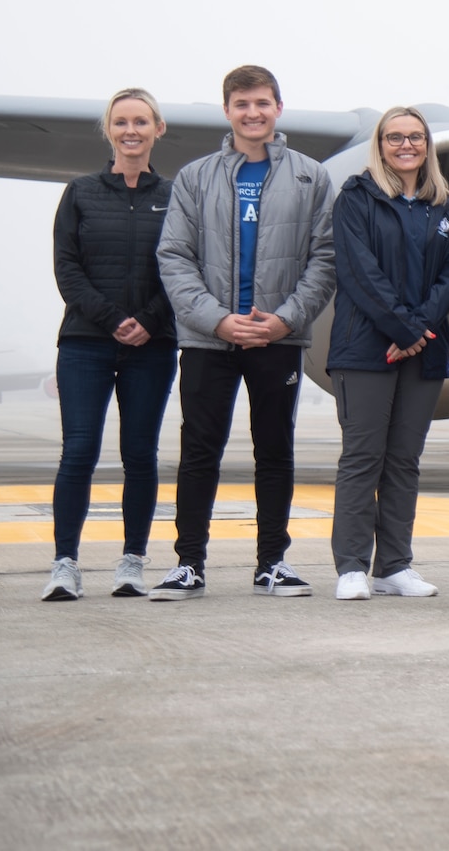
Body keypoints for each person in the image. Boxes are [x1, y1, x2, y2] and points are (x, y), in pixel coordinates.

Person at [150, 65, 336, 600]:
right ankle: (189, 563)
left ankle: (272, 563)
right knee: (199, 450)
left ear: (278, 107)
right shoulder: (196, 177)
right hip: (209, 340)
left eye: (262, 102)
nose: (252, 113)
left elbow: (324, 258)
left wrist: (285, 319)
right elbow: (174, 257)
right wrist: (217, 319)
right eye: (241, 104)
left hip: (278, 338)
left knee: (274, 449)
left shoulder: (309, 176)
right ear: (227, 110)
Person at [325, 108, 449, 601]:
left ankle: (394, 566)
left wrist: (418, 329)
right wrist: (405, 327)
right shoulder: (358, 198)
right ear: (380, 145)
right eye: (394, 137)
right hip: (365, 348)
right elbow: (359, 271)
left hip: (422, 350)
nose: (405, 145)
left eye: (415, 137)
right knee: (363, 456)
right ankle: (350, 566)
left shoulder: (445, 206)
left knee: (405, 459)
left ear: (426, 144)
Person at [43, 88, 179, 602]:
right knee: (78, 451)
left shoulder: (176, 195)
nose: (131, 131)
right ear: (109, 130)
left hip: (154, 344)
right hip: (85, 343)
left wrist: (148, 320)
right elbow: (67, 268)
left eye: (141, 121)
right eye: (121, 122)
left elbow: (183, 268)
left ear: (157, 129)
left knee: (140, 454)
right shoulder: (80, 192)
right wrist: (113, 318)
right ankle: (64, 564)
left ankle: (132, 561)